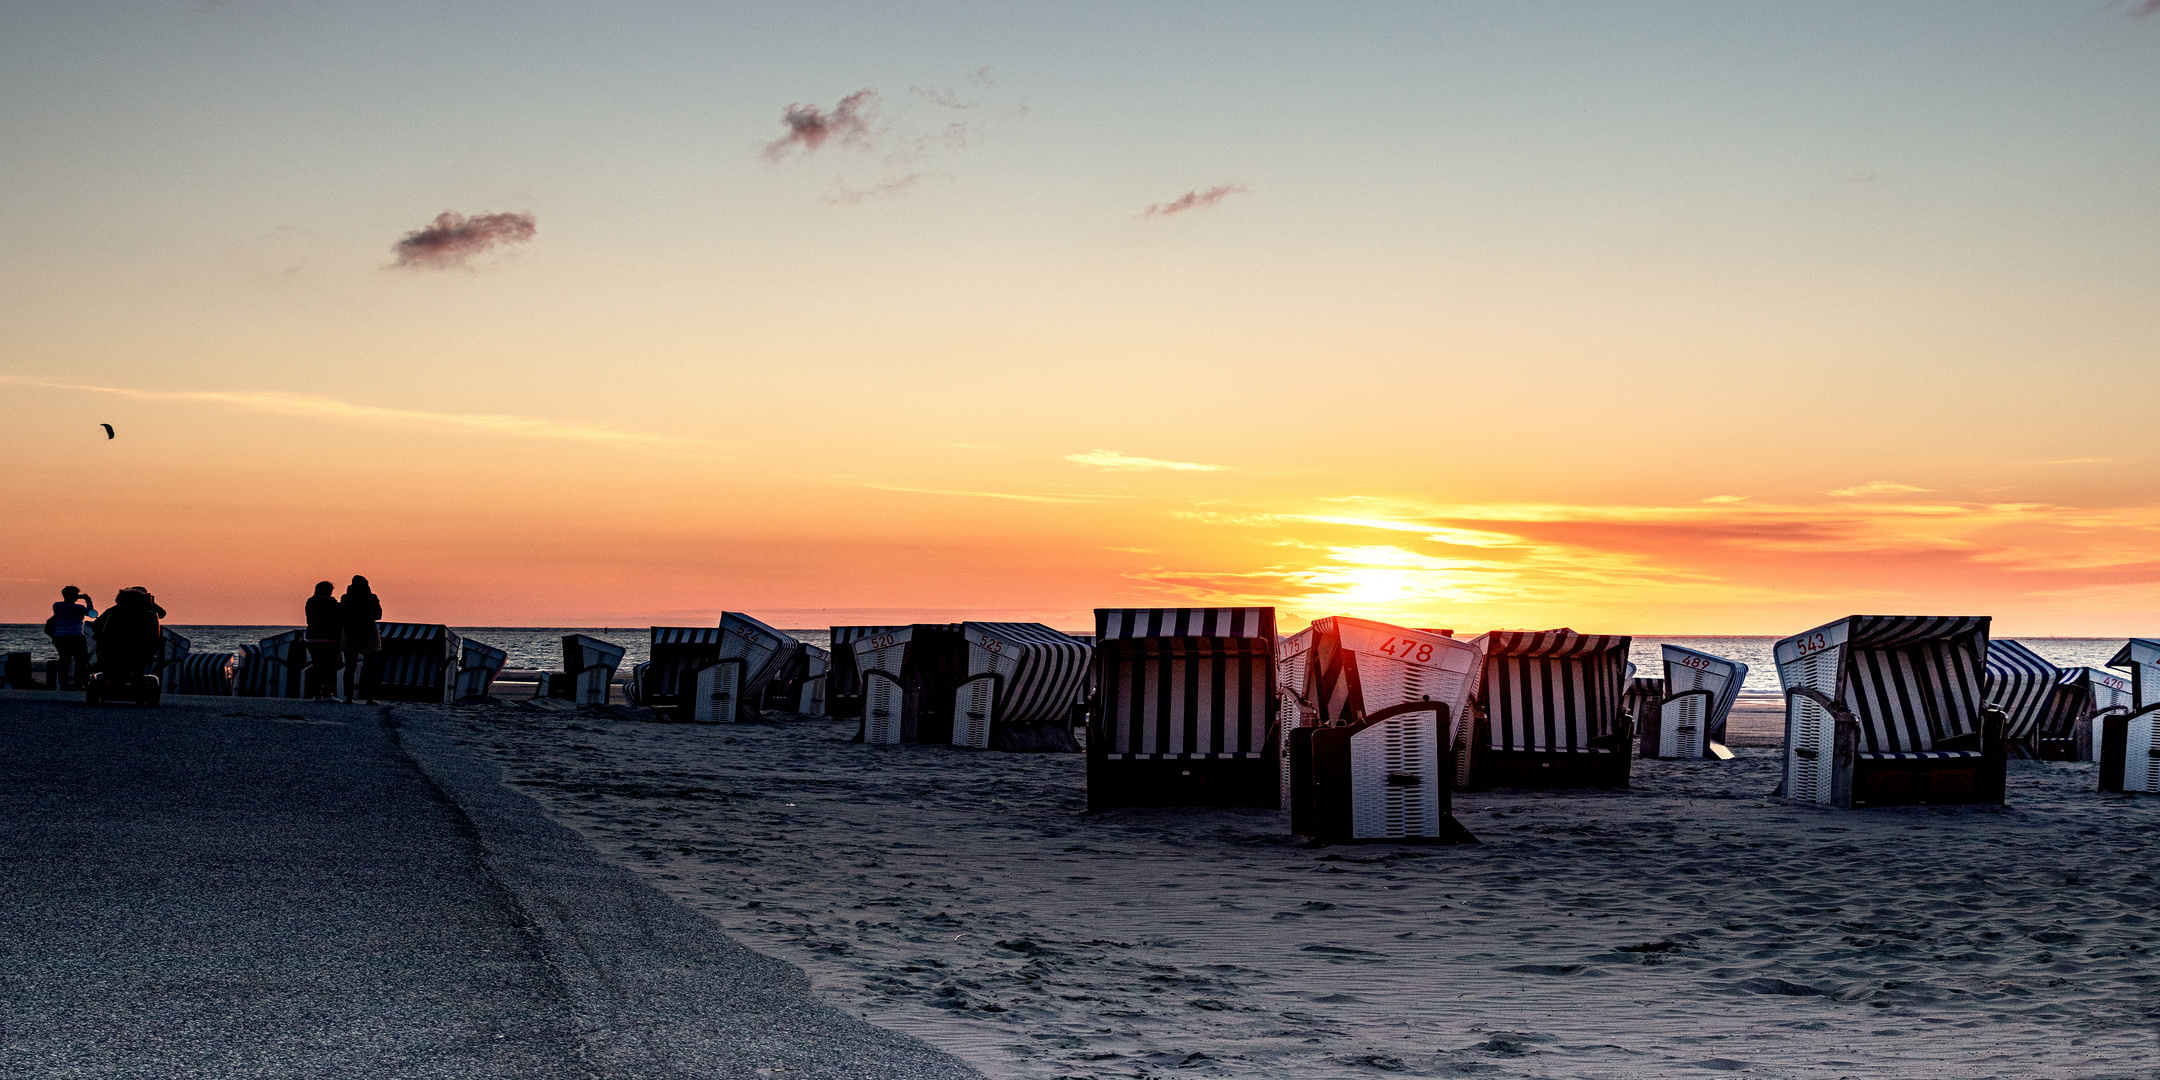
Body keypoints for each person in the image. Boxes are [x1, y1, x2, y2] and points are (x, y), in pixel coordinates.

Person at [90, 587, 163, 682]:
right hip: (141, 654)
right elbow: (161, 615)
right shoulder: (150, 615)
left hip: (114, 652)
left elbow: (97, 626)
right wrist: (151, 603)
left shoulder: (113, 612)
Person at [340, 575, 384, 705]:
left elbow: (341, 615)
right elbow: (378, 615)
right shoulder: (371, 597)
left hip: (350, 634)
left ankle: (348, 696)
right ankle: (371, 697)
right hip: (369, 634)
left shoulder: (346, 598)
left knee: (350, 667)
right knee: (370, 668)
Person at [47, 586, 98, 690]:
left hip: (60, 636)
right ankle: (78, 682)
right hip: (76, 636)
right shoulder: (78, 608)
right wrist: (88, 601)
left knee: (64, 659)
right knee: (80, 660)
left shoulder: (57, 605)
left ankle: (64, 683)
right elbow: (92, 614)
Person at [303, 581, 342, 701]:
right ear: (330, 591)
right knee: (330, 666)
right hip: (331, 638)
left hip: (313, 638)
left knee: (317, 665)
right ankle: (328, 693)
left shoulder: (310, 603)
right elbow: (340, 619)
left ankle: (317, 693)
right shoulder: (334, 604)